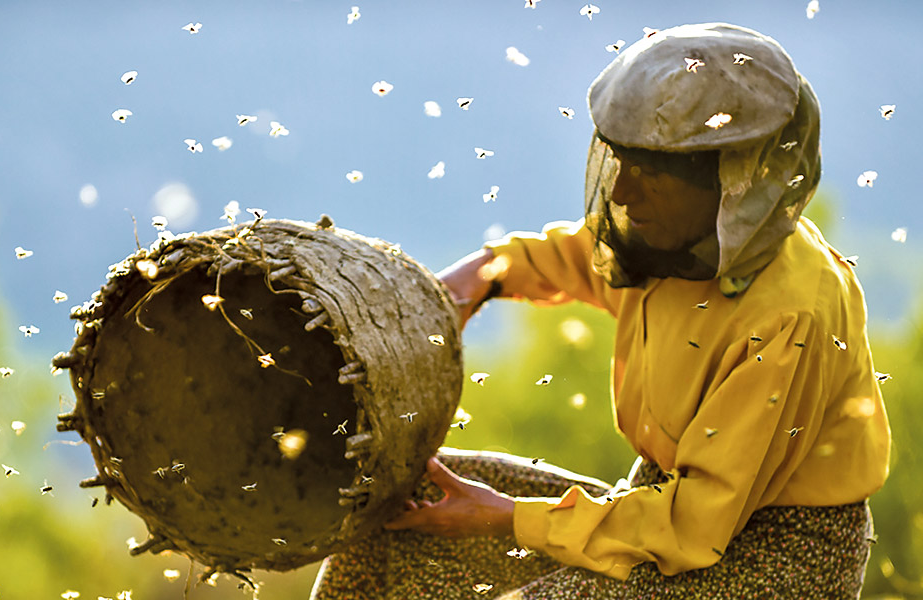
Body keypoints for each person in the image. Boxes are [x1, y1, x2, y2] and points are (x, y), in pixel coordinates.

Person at [311, 22, 890, 599]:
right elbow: (573, 256)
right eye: (623, 165)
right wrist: (469, 285)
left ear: (734, 181)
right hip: (658, 509)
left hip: (774, 558)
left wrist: (505, 517)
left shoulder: (789, 315)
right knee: (391, 505)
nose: (622, 195)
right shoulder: (676, 240)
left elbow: (694, 525)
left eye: (652, 175)